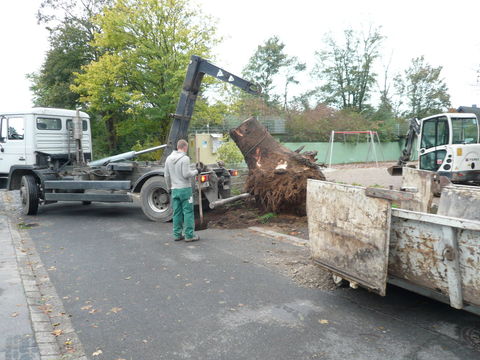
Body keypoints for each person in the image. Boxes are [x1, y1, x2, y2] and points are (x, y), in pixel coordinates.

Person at [164, 139, 201, 242]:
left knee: (176, 213)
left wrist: (168, 187)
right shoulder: (185, 158)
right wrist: (196, 171)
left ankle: (177, 235)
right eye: (187, 148)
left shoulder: (168, 159)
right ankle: (189, 236)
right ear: (184, 147)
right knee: (188, 212)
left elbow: (166, 175)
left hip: (175, 190)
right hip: (185, 190)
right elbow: (186, 174)